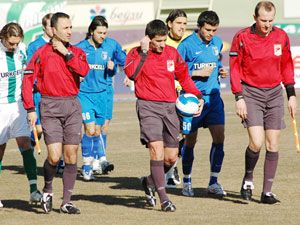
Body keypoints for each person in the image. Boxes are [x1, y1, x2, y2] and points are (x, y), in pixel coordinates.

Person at [124, 19, 204, 212]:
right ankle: (164, 199)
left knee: (170, 157)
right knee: (156, 151)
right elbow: (131, 74)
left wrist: (198, 96)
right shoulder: (135, 53)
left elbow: (184, 76)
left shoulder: (172, 53)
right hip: (148, 107)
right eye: (158, 41)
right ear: (148, 39)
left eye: (164, 40)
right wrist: (143, 53)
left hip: (170, 108)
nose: (162, 44)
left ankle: (149, 182)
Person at [229, 1, 296, 204]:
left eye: (270, 20)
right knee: (256, 143)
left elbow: (286, 65)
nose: (267, 25)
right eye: (263, 20)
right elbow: (234, 68)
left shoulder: (281, 37)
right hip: (251, 93)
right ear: (254, 17)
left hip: (275, 93)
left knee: (272, 144)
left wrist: (291, 94)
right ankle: (248, 177)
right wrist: (238, 96)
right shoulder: (241, 37)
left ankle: (267, 192)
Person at [22, 12, 89, 214]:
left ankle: (66, 201)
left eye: (71, 27)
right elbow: (27, 80)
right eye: (65, 27)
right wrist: (30, 108)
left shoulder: (76, 52)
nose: (70, 31)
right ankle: (48, 189)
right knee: (54, 156)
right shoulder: (40, 52)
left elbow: (84, 71)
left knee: (71, 155)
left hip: (72, 106)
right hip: (49, 106)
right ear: (53, 29)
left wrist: (66, 53)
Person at [177, 11, 228, 197]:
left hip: (214, 99)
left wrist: (220, 71)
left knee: (219, 137)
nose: (211, 33)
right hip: (193, 99)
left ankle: (213, 182)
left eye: (214, 30)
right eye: (208, 29)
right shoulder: (186, 46)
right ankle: (187, 181)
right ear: (200, 26)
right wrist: (196, 73)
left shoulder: (217, 43)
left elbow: (214, 63)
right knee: (191, 140)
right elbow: (177, 71)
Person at [76, 16, 126, 181]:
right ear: (91, 31)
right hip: (84, 94)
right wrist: (76, 76)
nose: (103, 36)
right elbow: (69, 65)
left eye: (105, 32)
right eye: (100, 33)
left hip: (103, 94)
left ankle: (95, 162)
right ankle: (87, 166)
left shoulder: (111, 45)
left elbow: (125, 61)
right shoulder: (80, 48)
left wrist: (114, 69)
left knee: (99, 130)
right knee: (89, 130)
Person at [0, 22, 42, 208]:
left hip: (18, 106)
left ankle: (34, 189)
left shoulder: (22, 50)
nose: (14, 46)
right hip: (0, 106)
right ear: (3, 38)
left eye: (17, 43)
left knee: (25, 144)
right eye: (11, 43)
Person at [26, 13, 66, 174]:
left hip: (58, 96)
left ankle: (60, 162)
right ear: (45, 27)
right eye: (51, 26)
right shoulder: (35, 46)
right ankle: (29, 152)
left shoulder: (62, 44)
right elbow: (29, 70)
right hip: (40, 95)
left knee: (60, 129)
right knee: (40, 130)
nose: (54, 29)